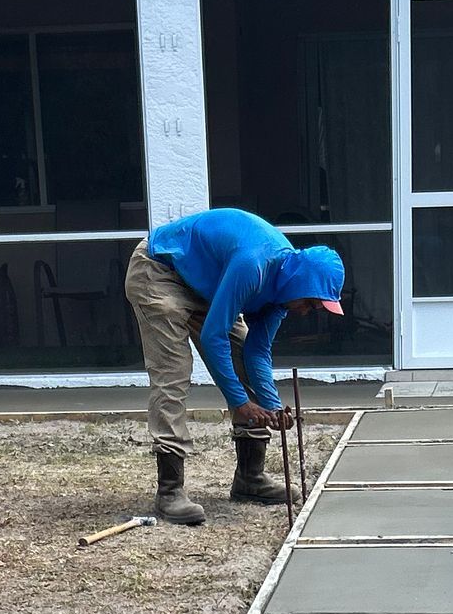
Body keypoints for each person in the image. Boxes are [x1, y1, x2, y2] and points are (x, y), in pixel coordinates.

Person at [124, 209, 345, 526]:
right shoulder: (254, 266)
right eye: (311, 303)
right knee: (173, 374)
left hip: (207, 285)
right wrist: (240, 402)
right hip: (160, 270)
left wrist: (271, 406)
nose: (307, 312)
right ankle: (170, 490)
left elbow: (257, 352)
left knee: (240, 354)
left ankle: (249, 478)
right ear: (301, 282)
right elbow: (213, 336)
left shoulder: (282, 295)